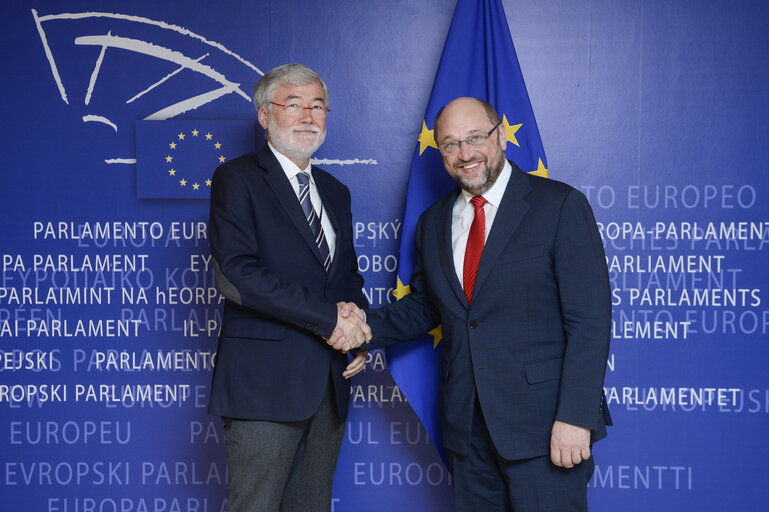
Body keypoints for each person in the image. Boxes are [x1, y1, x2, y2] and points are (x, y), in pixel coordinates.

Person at [335, 97, 612, 511]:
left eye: (476, 138)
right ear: (440, 152)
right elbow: (428, 306)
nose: (465, 154)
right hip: (467, 431)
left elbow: (590, 322)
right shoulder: (432, 222)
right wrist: (366, 329)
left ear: (500, 136)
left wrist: (576, 417)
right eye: (450, 144)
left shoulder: (559, 206)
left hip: (546, 429)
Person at [208, 63, 371, 512]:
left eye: (317, 105)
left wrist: (358, 332)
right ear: (264, 116)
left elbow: (347, 279)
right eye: (294, 104)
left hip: (329, 382)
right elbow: (237, 275)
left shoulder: (335, 191)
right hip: (264, 386)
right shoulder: (237, 179)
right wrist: (331, 320)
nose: (308, 115)